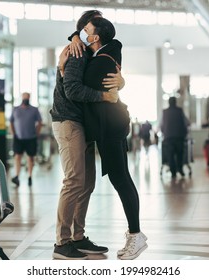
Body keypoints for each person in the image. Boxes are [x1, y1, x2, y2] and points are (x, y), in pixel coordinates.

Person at [50, 10, 124, 260]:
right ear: (85, 31)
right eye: (94, 25)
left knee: (87, 183)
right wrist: (104, 96)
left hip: (83, 124)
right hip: (68, 121)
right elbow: (71, 90)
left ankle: (78, 237)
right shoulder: (76, 52)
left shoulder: (88, 51)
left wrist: (120, 82)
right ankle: (62, 242)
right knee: (74, 181)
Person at [77, 16, 148, 260]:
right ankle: (135, 234)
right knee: (122, 178)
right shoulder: (108, 53)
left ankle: (136, 234)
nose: (81, 33)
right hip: (113, 127)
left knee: (121, 180)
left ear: (95, 38)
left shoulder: (99, 62)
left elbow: (77, 87)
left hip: (111, 128)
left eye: (86, 30)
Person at [10, 92, 42, 187]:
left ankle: (30, 176)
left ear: (29, 98)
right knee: (17, 157)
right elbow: (11, 122)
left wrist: (37, 133)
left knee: (30, 158)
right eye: (24, 97)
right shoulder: (15, 109)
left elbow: (40, 122)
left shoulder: (34, 110)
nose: (26, 99)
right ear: (21, 98)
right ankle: (17, 176)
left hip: (31, 138)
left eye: (27, 98)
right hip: (18, 138)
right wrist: (13, 133)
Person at [160, 97, 189, 178]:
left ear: (169, 103)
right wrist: (185, 133)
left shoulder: (165, 112)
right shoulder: (180, 111)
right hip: (179, 136)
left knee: (170, 155)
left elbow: (162, 124)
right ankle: (180, 169)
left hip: (168, 137)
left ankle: (173, 172)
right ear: (176, 102)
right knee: (180, 154)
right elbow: (185, 122)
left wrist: (164, 132)